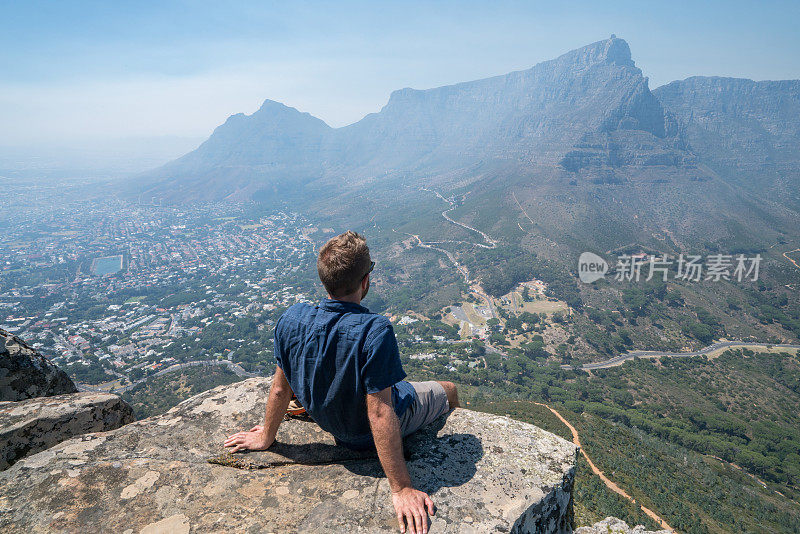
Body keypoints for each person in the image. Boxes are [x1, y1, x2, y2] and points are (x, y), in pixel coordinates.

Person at [223, 230, 459, 534]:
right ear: (365, 281)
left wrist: (267, 436)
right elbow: (379, 413)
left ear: (325, 280)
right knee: (449, 390)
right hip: (363, 434)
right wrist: (401, 489)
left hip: (330, 423)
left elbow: (281, 387)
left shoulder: (291, 319)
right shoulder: (375, 330)